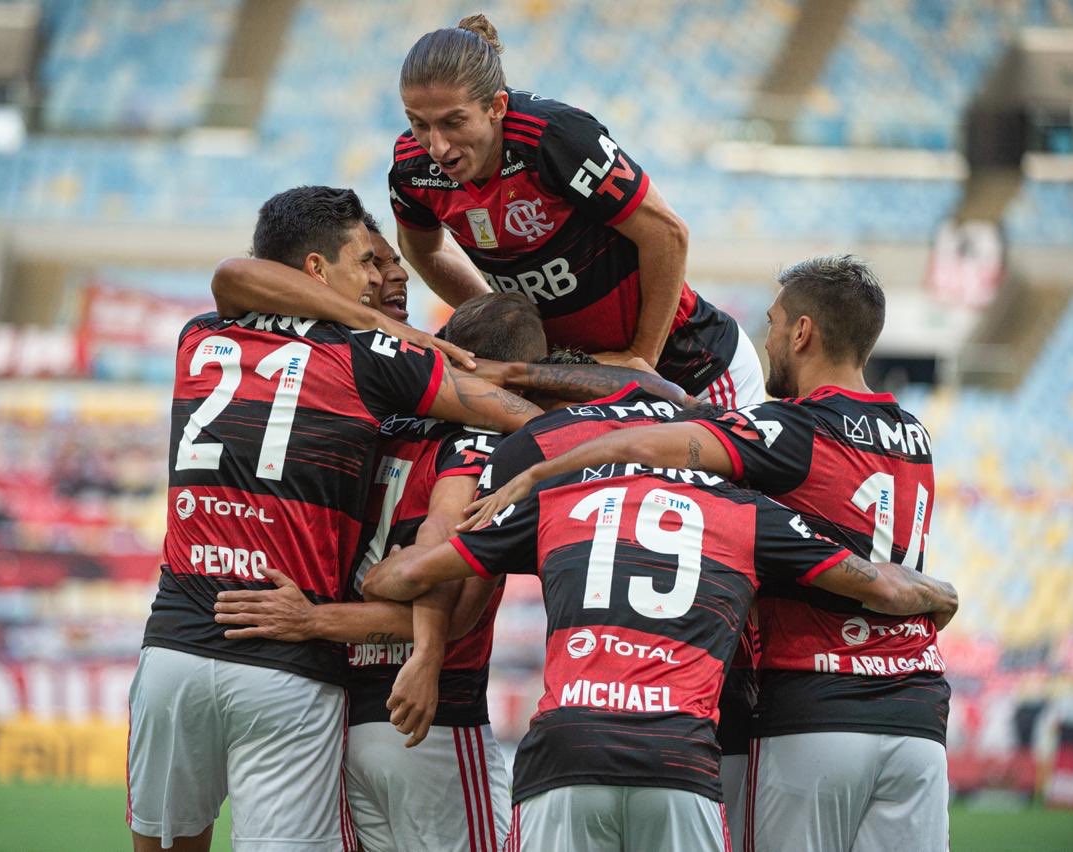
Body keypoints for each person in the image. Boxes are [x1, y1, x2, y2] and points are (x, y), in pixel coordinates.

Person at [466, 255, 951, 852]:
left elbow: (652, 438)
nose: (766, 340)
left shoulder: (787, 431)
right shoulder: (915, 437)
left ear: (802, 333)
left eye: (772, 324)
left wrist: (544, 467)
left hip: (809, 704)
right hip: (919, 711)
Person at [126, 185, 542, 852]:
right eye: (367, 264)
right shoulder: (374, 363)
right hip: (294, 667)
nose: (382, 280)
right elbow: (513, 416)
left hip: (174, 643)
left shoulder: (202, 333)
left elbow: (232, 275)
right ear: (318, 271)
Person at [362, 463, 958, 852]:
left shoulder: (561, 498)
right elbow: (875, 585)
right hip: (678, 758)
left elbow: (408, 575)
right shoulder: (748, 511)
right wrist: (940, 595)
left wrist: (375, 575)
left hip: (566, 751)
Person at [215, 292, 549, 852]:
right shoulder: (484, 445)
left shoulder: (379, 426)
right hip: (433, 719)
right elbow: (451, 585)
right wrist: (423, 653)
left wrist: (315, 620)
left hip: (350, 719)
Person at [389, 14, 763, 407]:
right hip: (578, 385)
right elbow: (425, 250)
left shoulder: (556, 139)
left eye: (454, 122)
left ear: (497, 106)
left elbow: (667, 234)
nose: (437, 147)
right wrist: (501, 315)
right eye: (418, 123)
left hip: (692, 368)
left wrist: (641, 357)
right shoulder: (413, 168)